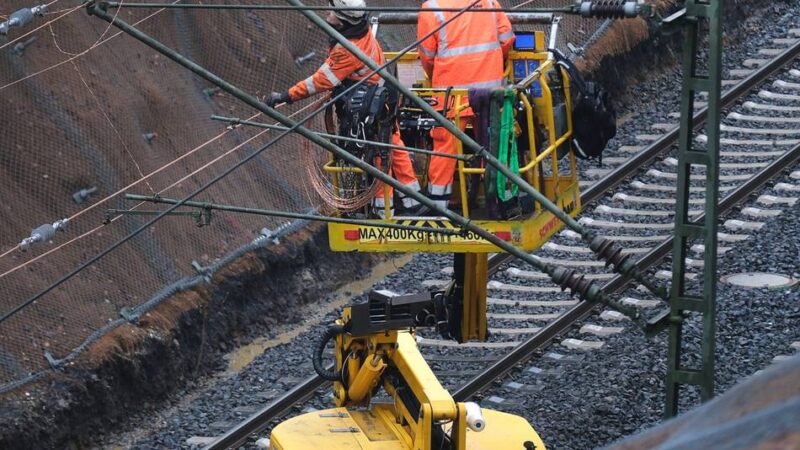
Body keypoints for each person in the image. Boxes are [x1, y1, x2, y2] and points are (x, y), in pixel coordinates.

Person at [266, 0, 420, 217]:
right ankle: (412, 199)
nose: (328, 12)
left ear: (343, 20)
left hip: (370, 106)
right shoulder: (361, 33)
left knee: (379, 152)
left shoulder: (348, 50)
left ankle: (383, 211)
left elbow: (320, 81)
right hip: (382, 98)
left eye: (333, 11)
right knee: (391, 143)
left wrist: (287, 96)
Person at [417, 0, 514, 209]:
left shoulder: (432, 8)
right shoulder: (488, 2)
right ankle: (501, 199)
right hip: (490, 91)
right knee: (495, 141)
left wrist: (436, 76)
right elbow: (506, 40)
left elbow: (427, 55)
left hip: (451, 94)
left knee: (445, 146)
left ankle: (438, 205)